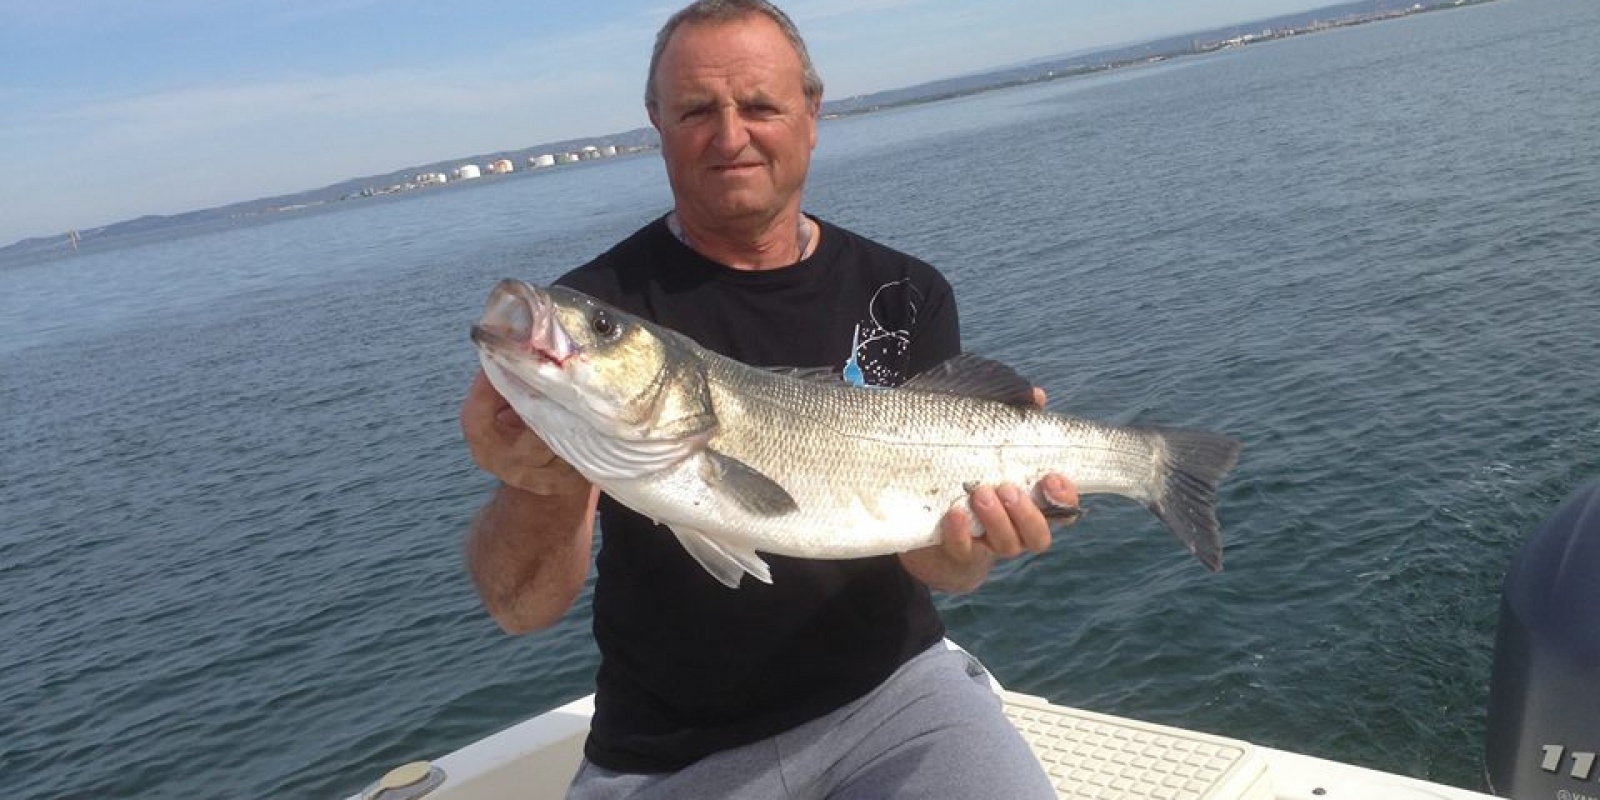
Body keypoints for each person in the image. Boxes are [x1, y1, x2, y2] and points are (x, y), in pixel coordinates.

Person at [459, 1, 1079, 797]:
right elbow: (518, 608)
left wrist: (969, 549)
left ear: (812, 114)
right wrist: (535, 483)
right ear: (656, 123)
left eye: (759, 105)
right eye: (695, 111)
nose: (730, 136)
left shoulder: (906, 291)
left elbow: (937, 566)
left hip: (898, 696)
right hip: (667, 754)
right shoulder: (595, 307)